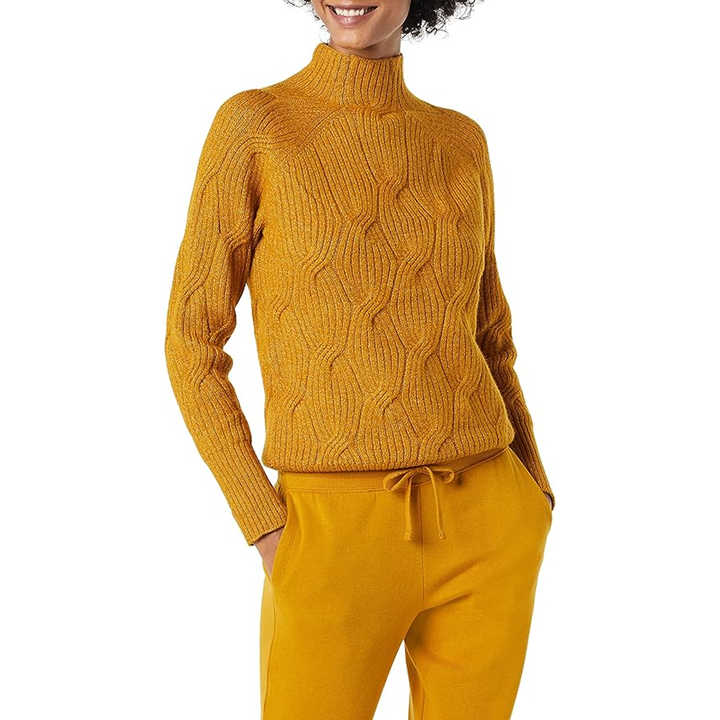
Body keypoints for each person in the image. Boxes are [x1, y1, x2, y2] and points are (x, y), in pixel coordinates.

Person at [165, 1, 554, 717]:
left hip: (488, 514)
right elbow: (192, 342)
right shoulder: (256, 126)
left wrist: (534, 491)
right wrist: (265, 522)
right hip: (328, 529)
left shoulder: (460, 140)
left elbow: (489, 332)